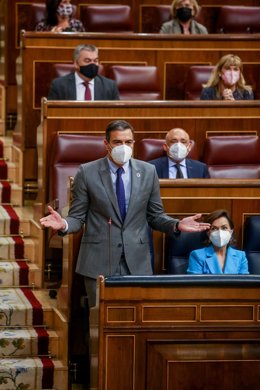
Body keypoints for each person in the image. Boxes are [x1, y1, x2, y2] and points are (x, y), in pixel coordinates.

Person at [40, 119, 210, 307]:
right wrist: (63, 224)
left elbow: (155, 215)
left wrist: (176, 224)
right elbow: (77, 217)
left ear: (134, 143)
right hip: (99, 260)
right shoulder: (87, 172)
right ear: (106, 144)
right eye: (117, 142)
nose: (124, 147)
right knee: (99, 322)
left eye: (128, 142)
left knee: (133, 321)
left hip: (137, 260)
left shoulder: (148, 171)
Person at [47, 44, 120, 100]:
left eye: (95, 61)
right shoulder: (59, 85)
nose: (92, 64)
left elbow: (116, 115)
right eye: (87, 61)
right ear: (76, 64)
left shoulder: (110, 86)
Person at [187, 209, 249, 274]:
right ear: (208, 233)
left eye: (224, 228)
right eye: (214, 228)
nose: (220, 232)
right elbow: (195, 283)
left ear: (231, 231)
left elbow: (245, 283)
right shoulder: (197, 255)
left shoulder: (241, 256)